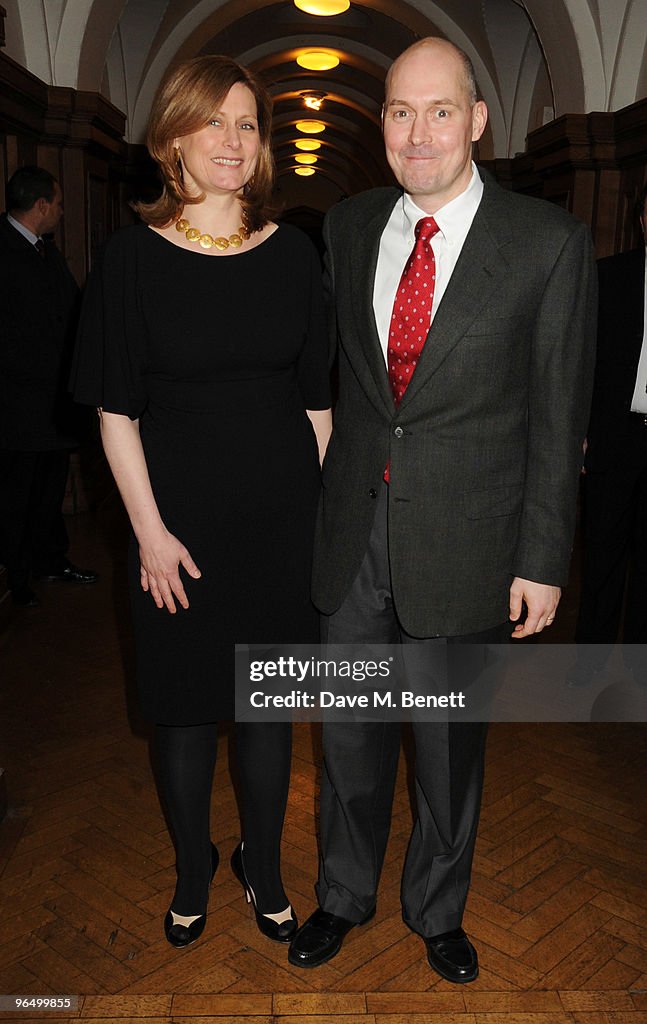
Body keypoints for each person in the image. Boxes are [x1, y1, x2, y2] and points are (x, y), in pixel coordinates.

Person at [288, 37, 596, 982]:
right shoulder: (345, 227)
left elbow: (558, 414)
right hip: (351, 538)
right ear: (380, 121)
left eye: (437, 111)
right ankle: (342, 895)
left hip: (470, 542)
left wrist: (542, 558)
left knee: (448, 747)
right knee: (346, 734)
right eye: (397, 111)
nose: (416, 133)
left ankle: (437, 910)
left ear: (477, 119)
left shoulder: (545, 243)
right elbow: (325, 381)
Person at [72, 56, 332, 949]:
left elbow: (318, 404)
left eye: (248, 123)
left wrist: (323, 519)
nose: (232, 140)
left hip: (279, 523)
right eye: (214, 122)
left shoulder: (296, 253)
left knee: (264, 709)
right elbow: (115, 412)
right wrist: (147, 534)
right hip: (172, 527)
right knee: (183, 711)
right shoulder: (131, 259)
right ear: (173, 136)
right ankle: (193, 870)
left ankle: (262, 866)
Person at [0, 166, 97, 608]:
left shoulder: (46, 251)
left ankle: (49, 560)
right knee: (17, 493)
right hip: (17, 405)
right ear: (41, 206)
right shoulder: (3, 251)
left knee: (48, 488)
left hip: (52, 403)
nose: (60, 211)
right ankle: (14, 574)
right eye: (57, 204)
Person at [575, 183, 647, 648]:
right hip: (613, 437)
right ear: (642, 220)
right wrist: (579, 434)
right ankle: (590, 661)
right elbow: (581, 361)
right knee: (601, 554)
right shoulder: (608, 277)